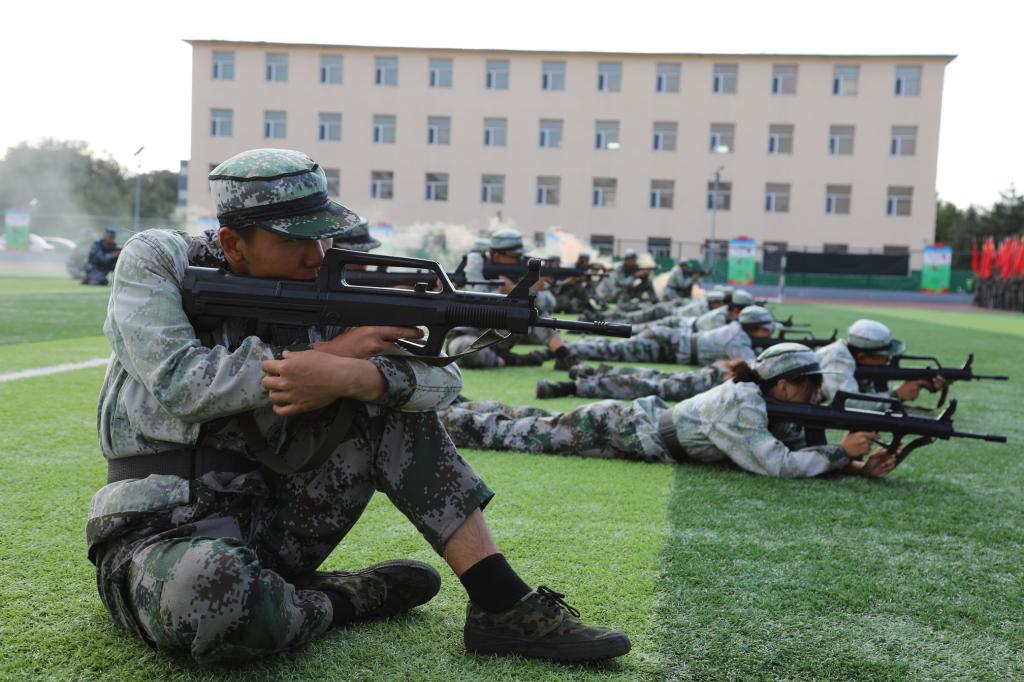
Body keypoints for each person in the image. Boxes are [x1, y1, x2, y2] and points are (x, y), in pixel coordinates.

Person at [86, 148, 629, 666]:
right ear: (233, 242)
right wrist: (322, 356)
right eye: (294, 241)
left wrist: (359, 376)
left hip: (275, 520)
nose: (317, 255)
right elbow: (181, 381)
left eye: (323, 235)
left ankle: (501, 602)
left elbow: (444, 382)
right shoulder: (159, 259)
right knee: (216, 596)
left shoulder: (329, 282)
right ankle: (346, 598)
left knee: (384, 400)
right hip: (156, 533)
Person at [441, 343, 896, 478]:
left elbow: (792, 447)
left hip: (635, 426)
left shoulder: (762, 399)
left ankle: (456, 407)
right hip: (622, 430)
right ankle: (442, 416)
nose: (815, 398)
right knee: (516, 433)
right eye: (811, 388)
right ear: (783, 385)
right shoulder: (743, 405)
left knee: (530, 420)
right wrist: (841, 452)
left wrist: (857, 465)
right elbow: (778, 464)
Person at [447, 228, 576, 369]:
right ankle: (516, 360)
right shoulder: (473, 270)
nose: (520, 260)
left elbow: (547, 306)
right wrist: (512, 292)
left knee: (531, 313)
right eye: (515, 256)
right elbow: (477, 303)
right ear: (496, 256)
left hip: (501, 336)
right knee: (464, 350)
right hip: (469, 336)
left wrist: (530, 290)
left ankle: (563, 355)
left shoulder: (517, 273)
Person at [564, 305, 777, 366]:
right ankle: (566, 349)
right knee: (613, 351)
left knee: (616, 348)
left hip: (669, 341)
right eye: (766, 329)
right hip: (666, 345)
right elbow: (754, 367)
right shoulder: (736, 339)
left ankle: (577, 343)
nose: (769, 333)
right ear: (755, 327)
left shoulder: (737, 330)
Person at [816, 319, 947, 409]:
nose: (888, 360)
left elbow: (869, 395)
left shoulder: (854, 359)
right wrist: (896, 395)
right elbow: (849, 403)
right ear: (862, 356)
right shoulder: (837, 360)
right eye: (884, 356)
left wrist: (918, 384)